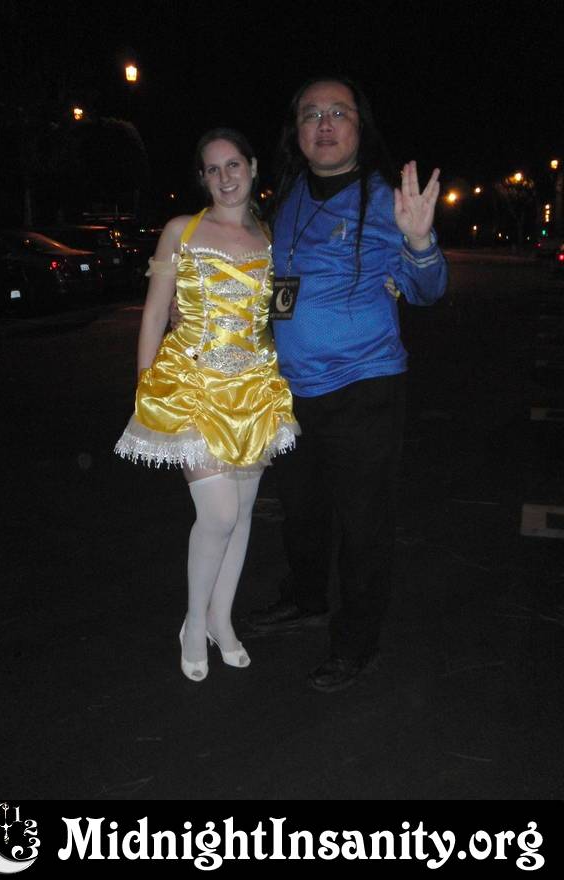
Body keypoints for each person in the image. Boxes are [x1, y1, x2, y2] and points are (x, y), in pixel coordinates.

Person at [247, 76, 448, 692]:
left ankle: (357, 642)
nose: (325, 124)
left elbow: (427, 290)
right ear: (297, 131)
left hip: (364, 388)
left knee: (363, 524)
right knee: (302, 510)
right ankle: (307, 598)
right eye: (312, 114)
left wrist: (419, 239)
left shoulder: (385, 199)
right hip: (292, 389)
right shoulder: (288, 198)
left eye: (339, 113)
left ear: (361, 128)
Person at [115, 128, 299, 682]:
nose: (225, 177)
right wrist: (146, 382)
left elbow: (280, 313)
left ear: (253, 167)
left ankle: (223, 618)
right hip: (193, 384)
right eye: (213, 169)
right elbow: (155, 311)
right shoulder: (182, 230)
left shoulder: (272, 237)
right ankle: (194, 623)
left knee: (241, 516)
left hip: (254, 388)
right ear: (202, 178)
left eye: (233, 164)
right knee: (217, 514)